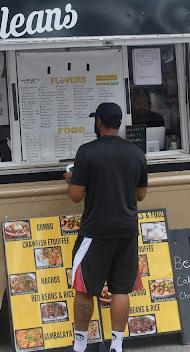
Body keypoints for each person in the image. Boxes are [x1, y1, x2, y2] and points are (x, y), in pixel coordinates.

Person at [63, 102, 148, 352]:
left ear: (98, 122)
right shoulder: (136, 154)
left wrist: (71, 179)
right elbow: (141, 194)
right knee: (121, 289)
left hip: (96, 232)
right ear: (119, 123)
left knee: (85, 288)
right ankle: (117, 345)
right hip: (127, 231)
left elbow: (76, 196)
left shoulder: (87, 152)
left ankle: (80, 344)